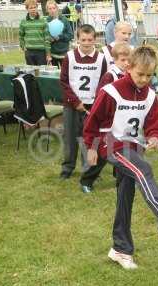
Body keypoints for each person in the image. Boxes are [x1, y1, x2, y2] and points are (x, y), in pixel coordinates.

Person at [83, 46, 158, 269]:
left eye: (149, 76)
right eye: (140, 74)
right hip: (110, 144)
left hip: (133, 148)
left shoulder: (150, 96)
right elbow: (92, 122)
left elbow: (155, 126)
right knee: (144, 170)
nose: (144, 79)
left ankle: (120, 249)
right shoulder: (111, 91)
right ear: (128, 67)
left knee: (125, 195)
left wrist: (156, 138)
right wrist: (91, 147)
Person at [80, 42, 131, 193]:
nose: (126, 63)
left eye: (128, 60)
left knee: (124, 150)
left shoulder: (128, 75)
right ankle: (87, 180)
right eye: (123, 60)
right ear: (115, 60)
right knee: (104, 153)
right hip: (108, 121)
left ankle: (121, 177)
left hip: (123, 121)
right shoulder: (110, 76)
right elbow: (101, 98)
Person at [59, 24, 108, 179]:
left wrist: (97, 104)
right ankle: (67, 168)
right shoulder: (69, 56)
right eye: (83, 39)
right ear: (77, 40)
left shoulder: (101, 58)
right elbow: (64, 82)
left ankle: (90, 169)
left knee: (90, 138)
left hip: (92, 106)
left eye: (90, 39)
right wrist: (75, 102)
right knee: (70, 137)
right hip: (72, 105)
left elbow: (103, 83)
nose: (86, 43)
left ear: (95, 39)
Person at [19, 0, 51, 66]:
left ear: (37, 8)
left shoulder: (43, 21)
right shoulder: (23, 21)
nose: (33, 9)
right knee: (31, 74)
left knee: (41, 73)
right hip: (29, 52)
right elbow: (20, 36)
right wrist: (23, 46)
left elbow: (47, 38)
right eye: (31, 8)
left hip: (41, 52)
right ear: (27, 9)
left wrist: (48, 54)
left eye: (34, 7)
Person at [46, 0, 73, 68]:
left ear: (57, 8)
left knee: (65, 75)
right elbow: (45, 37)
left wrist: (60, 37)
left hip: (64, 54)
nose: (52, 10)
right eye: (50, 8)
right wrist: (49, 38)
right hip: (52, 54)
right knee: (55, 76)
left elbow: (70, 35)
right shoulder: (46, 21)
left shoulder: (64, 20)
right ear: (47, 10)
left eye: (54, 8)